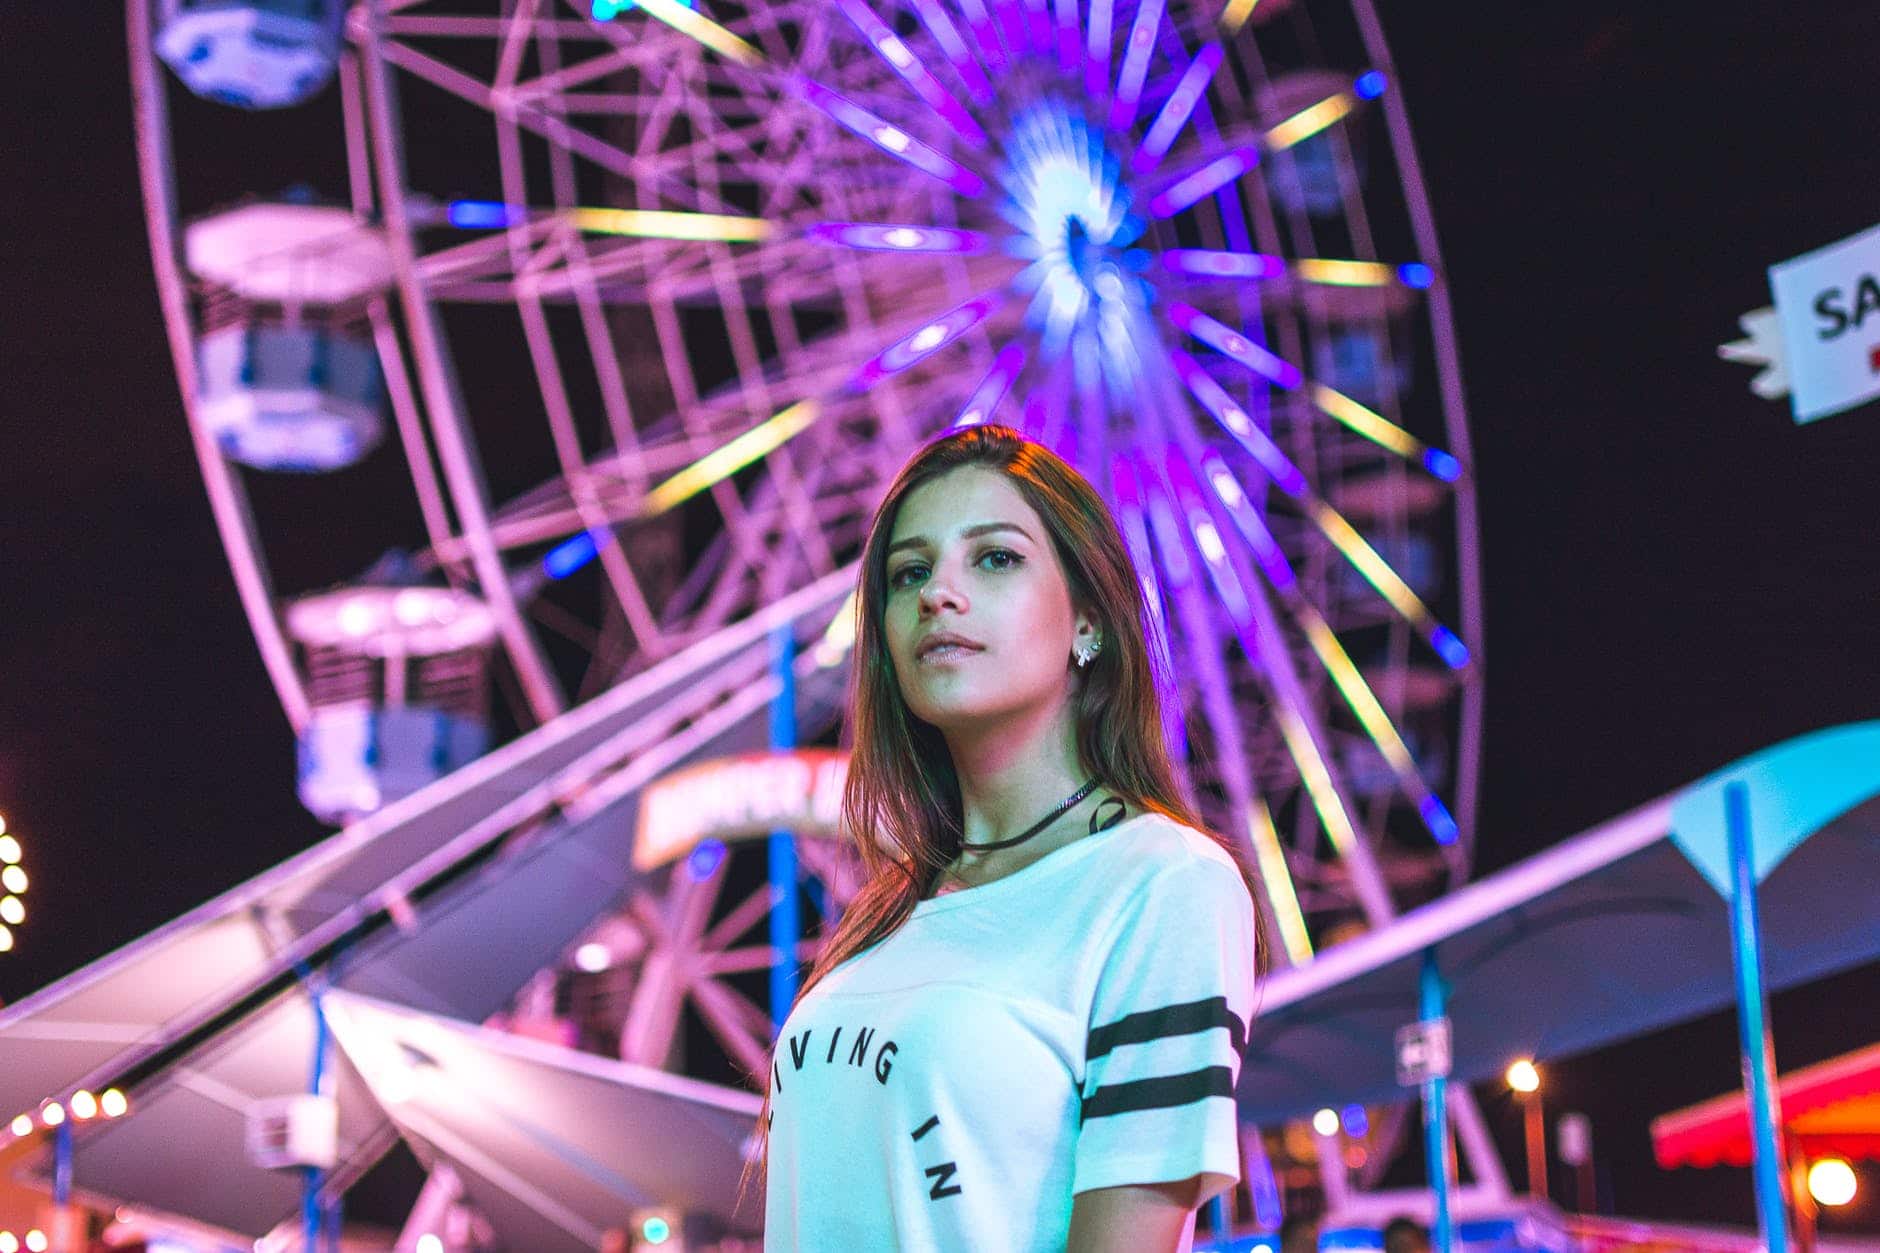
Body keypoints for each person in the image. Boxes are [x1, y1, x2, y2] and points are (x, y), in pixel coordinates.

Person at [744, 424, 1269, 1251]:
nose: (936, 594)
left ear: (1087, 623)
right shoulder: (892, 914)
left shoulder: (1164, 884)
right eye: (909, 572)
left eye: (993, 558)